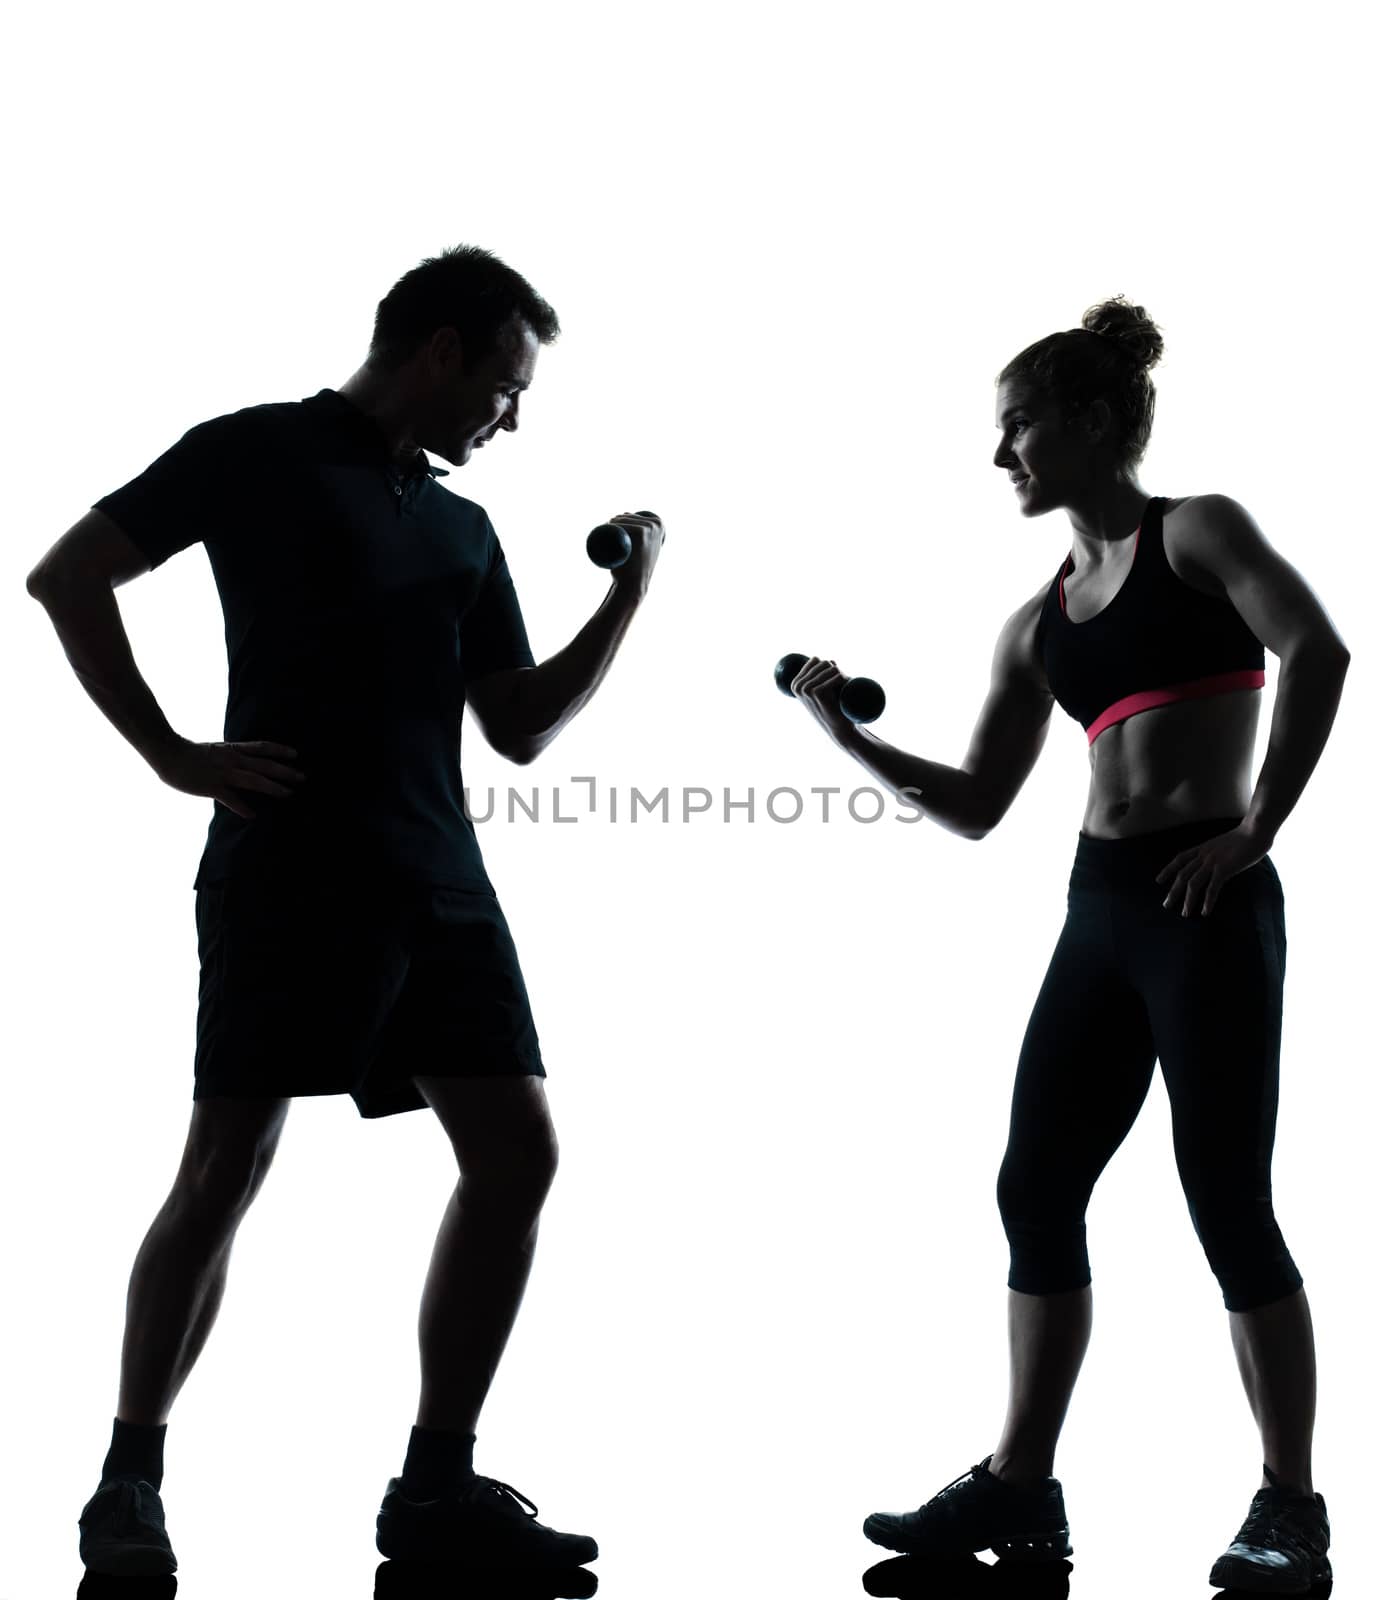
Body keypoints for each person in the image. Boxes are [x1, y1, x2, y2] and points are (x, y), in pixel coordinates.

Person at [25, 244, 664, 1577]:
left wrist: (628, 596)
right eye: (505, 385)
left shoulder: (461, 527)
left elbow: (523, 725)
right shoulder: (252, 452)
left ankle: (435, 1487)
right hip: (288, 866)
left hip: (442, 877)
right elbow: (68, 576)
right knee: (226, 1168)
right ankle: (127, 1483)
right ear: (440, 350)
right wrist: (170, 750)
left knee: (518, 1155)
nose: (512, 417)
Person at [786, 298, 1347, 1593]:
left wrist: (1257, 832)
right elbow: (980, 803)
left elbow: (1317, 647)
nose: (1003, 456)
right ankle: (1021, 1488)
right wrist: (850, 738)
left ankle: (1290, 1507)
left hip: (1207, 904)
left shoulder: (1195, 531)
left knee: (1228, 1205)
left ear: (1092, 422)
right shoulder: (1037, 620)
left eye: (1019, 426)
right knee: (1034, 1189)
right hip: (1102, 909)